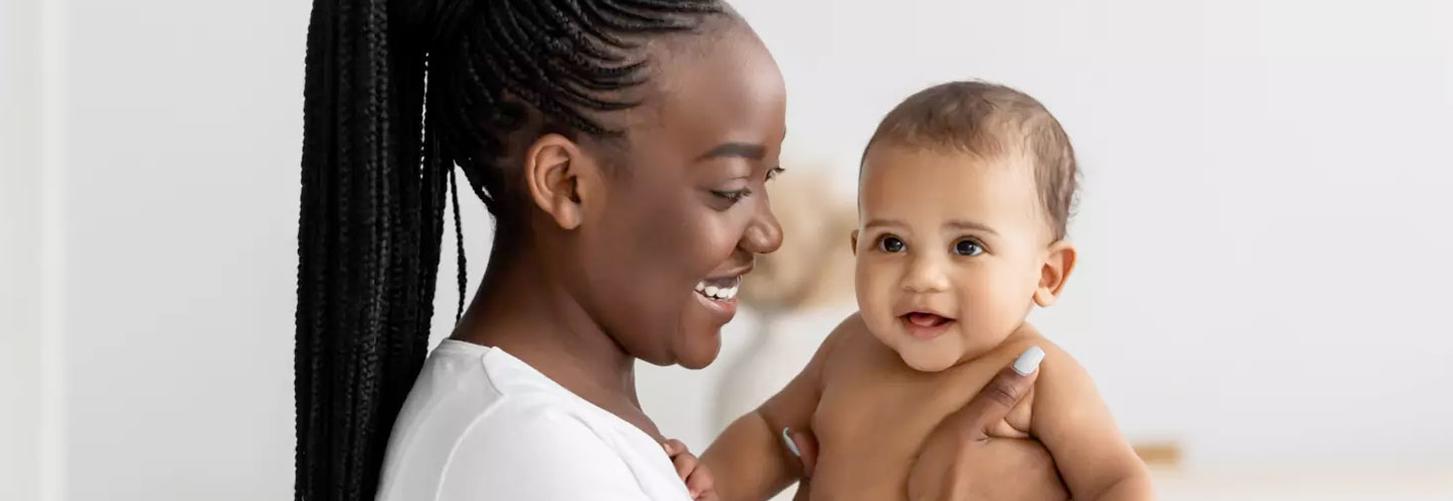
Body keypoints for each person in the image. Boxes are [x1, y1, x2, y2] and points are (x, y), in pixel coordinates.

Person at [294, 1, 1066, 500]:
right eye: (731, 189)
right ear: (566, 183)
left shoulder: (572, 433)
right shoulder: (533, 456)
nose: (769, 230)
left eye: (772, 179)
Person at [703, 82, 1153, 500]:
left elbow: (1117, 481)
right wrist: (700, 487)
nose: (922, 276)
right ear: (857, 250)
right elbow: (769, 433)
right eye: (892, 243)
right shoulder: (850, 346)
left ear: (1047, 274)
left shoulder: (1041, 378)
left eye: (967, 246)